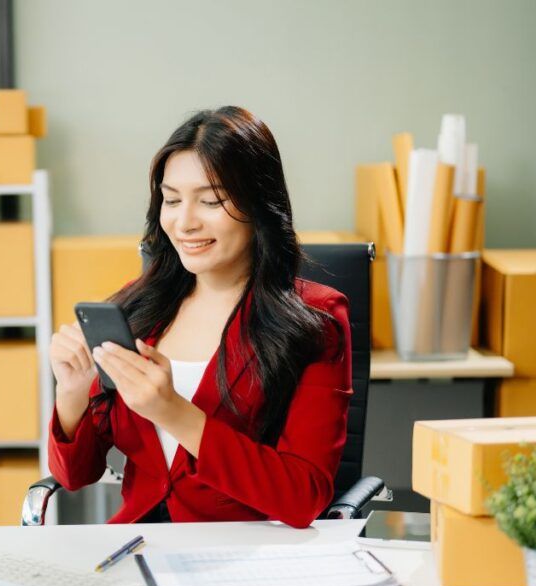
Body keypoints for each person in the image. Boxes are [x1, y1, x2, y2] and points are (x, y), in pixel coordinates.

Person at [47, 106, 352, 528]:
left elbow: (304, 497)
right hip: (138, 550)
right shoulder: (136, 309)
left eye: (210, 201)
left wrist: (174, 412)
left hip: (249, 559)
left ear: (258, 206)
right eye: (171, 200)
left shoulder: (317, 319)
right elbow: (74, 476)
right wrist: (72, 395)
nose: (184, 222)